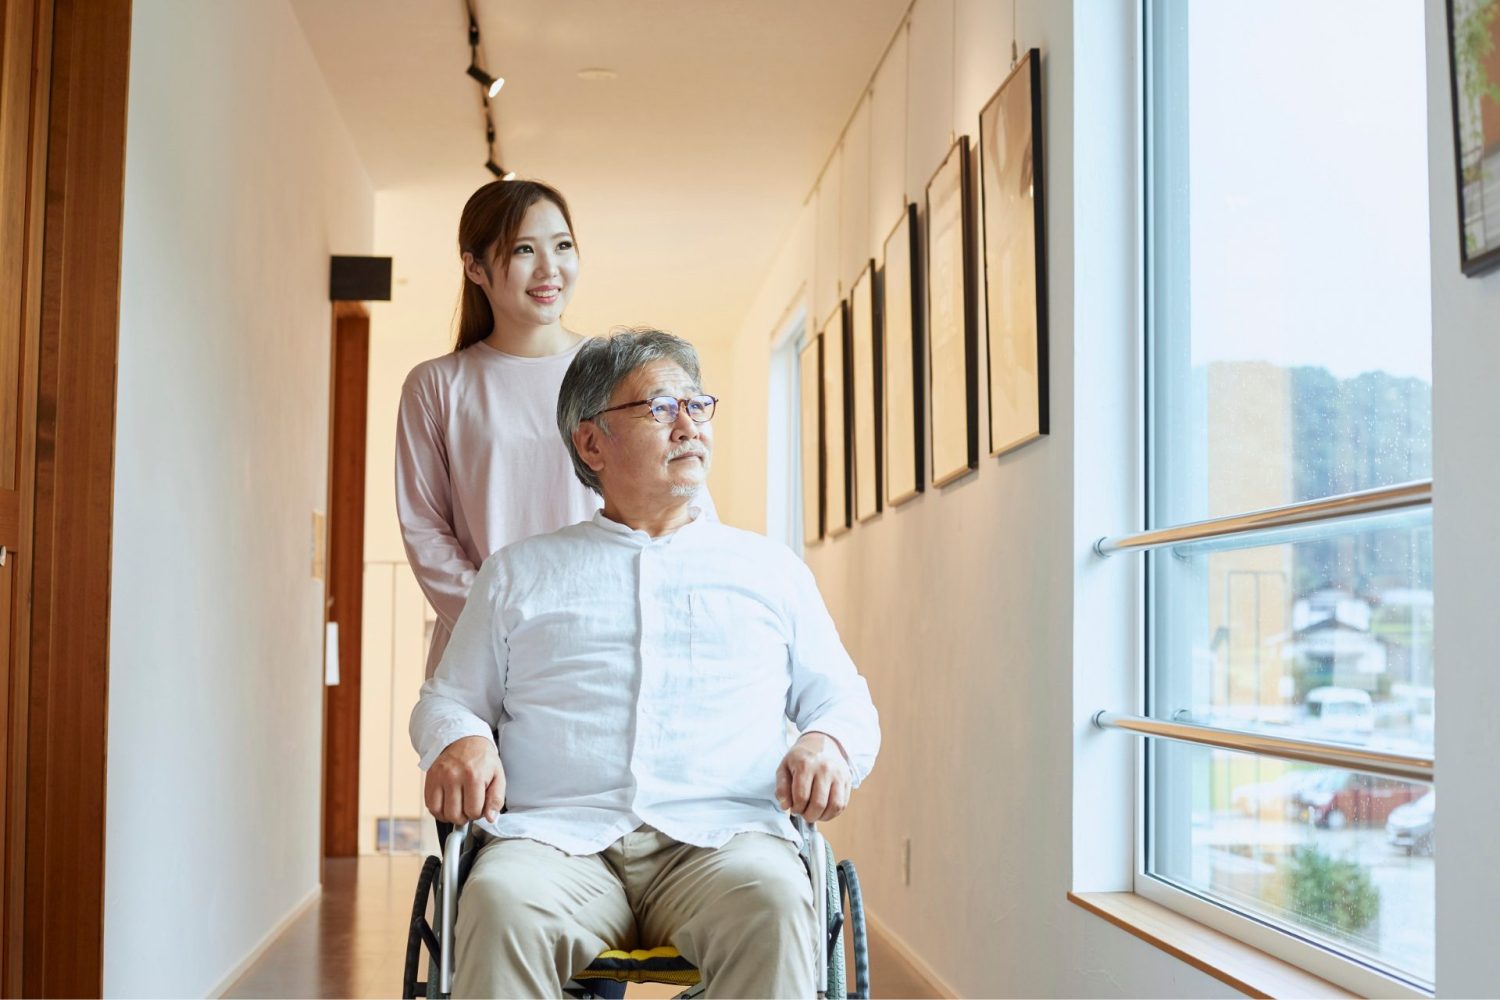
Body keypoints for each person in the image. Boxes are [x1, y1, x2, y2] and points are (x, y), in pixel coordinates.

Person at [410, 329, 880, 998]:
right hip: (557, 842)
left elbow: (843, 701)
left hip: (721, 842)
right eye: (661, 408)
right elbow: (448, 698)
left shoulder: (770, 572)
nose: (687, 424)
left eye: (698, 405)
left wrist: (827, 742)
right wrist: (461, 739)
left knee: (777, 901)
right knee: (498, 900)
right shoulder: (518, 573)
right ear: (592, 441)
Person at [395, 179, 713, 679]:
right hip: (484, 653)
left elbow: (683, 496)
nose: (549, 269)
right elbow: (425, 531)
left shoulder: (616, 372)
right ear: (474, 266)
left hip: (607, 640)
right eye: (524, 249)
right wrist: (499, 626)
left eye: (562, 246)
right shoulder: (437, 386)